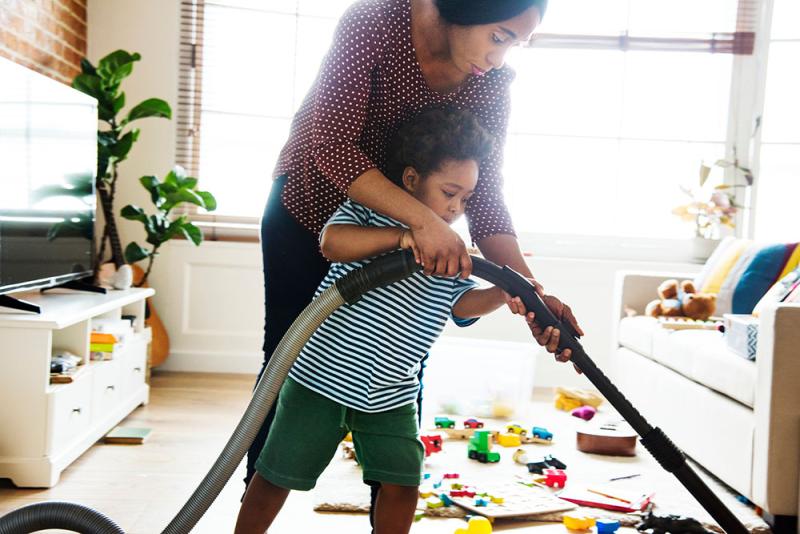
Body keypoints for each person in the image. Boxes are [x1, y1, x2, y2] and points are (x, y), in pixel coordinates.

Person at [249, 0, 584, 524]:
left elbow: (487, 195)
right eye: (499, 36)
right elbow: (332, 145)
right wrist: (421, 226)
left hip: (418, 229)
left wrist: (530, 293)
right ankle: (258, 505)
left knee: (402, 365)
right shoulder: (375, 23)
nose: (500, 58)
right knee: (286, 364)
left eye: (515, 44)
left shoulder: (491, 84)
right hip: (314, 206)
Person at [236, 107, 538, 534]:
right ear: (412, 180)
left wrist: (502, 292)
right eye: (448, 192)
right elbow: (332, 242)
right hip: (319, 382)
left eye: (465, 200)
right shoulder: (369, 213)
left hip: (391, 393)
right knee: (277, 476)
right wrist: (405, 237)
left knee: (402, 484)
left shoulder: (452, 249)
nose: (454, 209)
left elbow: (461, 306)